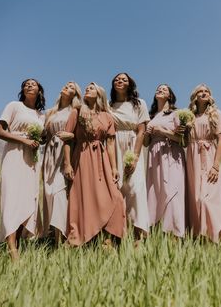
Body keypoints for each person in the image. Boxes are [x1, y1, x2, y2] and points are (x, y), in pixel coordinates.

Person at [63, 82, 126, 246]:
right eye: (86, 88)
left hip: (101, 158)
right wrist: (67, 164)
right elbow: (67, 139)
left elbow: (111, 143)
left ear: (99, 94)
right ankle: (86, 237)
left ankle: (108, 238)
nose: (87, 89)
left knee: (115, 197)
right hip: (82, 157)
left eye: (91, 88)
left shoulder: (107, 116)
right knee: (86, 196)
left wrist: (113, 167)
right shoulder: (76, 112)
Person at [0, 78, 45, 260]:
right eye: (25, 84)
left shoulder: (41, 115)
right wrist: (24, 140)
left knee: (27, 199)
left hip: (31, 160)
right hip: (14, 156)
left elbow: (42, 137)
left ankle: (18, 242)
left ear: (39, 89)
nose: (28, 85)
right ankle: (12, 250)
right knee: (11, 199)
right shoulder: (14, 106)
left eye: (32, 83)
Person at [186, 84, 221, 242]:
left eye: (206, 91)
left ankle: (217, 234)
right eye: (200, 91)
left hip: (210, 156)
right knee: (196, 198)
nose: (204, 93)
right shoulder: (190, 116)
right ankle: (200, 236)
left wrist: (216, 166)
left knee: (208, 198)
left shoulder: (216, 114)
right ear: (195, 96)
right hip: (192, 158)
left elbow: (220, 141)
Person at [109, 72, 150, 240]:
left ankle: (139, 234)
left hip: (132, 144)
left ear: (130, 84)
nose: (120, 81)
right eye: (117, 79)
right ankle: (119, 233)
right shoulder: (109, 105)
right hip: (113, 144)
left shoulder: (139, 104)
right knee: (118, 188)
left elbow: (141, 132)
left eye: (123, 79)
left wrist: (134, 156)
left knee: (136, 187)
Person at [144, 84, 186, 237]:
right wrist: (147, 134)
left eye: (164, 89)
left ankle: (175, 232)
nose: (160, 90)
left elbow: (183, 140)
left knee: (172, 191)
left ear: (170, 95)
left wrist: (162, 131)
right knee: (156, 191)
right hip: (154, 156)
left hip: (171, 155)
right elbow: (145, 143)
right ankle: (156, 229)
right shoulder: (151, 115)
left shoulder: (176, 114)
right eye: (158, 89)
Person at [43, 81, 82, 245]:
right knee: (49, 193)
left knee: (60, 194)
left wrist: (71, 136)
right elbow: (44, 136)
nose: (68, 87)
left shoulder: (76, 111)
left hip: (67, 153)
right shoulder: (50, 112)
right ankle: (52, 235)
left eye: (72, 87)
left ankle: (61, 240)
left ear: (75, 94)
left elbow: (80, 134)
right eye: (67, 85)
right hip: (50, 155)